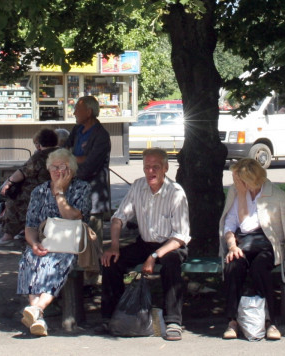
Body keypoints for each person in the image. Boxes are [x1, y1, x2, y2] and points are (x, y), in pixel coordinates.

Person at [100, 148, 191, 341]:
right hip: (145, 243)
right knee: (111, 261)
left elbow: (181, 236)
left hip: (171, 244)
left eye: (155, 167)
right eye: (147, 167)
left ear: (165, 168)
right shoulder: (138, 186)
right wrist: (114, 245)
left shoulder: (176, 193)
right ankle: (111, 316)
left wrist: (154, 256)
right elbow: (118, 218)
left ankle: (173, 321)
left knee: (171, 263)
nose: (150, 172)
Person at [218, 158, 285, 340]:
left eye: (237, 178)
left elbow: (252, 224)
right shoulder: (236, 192)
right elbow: (230, 224)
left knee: (259, 268)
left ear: (249, 179)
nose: (234, 181)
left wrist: (242, 195)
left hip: (267, 244)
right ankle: (232, 321)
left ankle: (270, 321)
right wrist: (232, 245)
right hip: (242, 243)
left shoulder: (275, 195)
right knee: (233, 265)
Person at [17, 148, 92, 336]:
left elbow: (73, 217)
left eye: (63, 167)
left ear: (72, 170)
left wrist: (59, 193)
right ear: (48, 169)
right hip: (44, 242)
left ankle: (37, 308)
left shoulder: (82, 188)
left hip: (69, 245)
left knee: (57, 261)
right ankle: (38, 315)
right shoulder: (39, 191)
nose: (58, 171)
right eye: (54, 167)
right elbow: (30, 226)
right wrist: (34, 244)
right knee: (30, 258)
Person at [0, 128, 60, 246]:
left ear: (41, 143)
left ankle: (8, 236)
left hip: (39, 192)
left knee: (12, 201)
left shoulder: (40, 156)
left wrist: (8, 182)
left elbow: (22, 172)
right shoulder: (61, 153)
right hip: (57, 189)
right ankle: (24, 230)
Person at [65, 96, 112, 240]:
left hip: (93, 192)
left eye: (77, 110)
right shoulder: (77, 129)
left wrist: (71, 162)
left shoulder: (101, 135)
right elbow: (64, 151)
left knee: (92, 238)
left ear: (89, 112)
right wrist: (77, 158)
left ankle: (95, 262)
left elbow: (91, 165)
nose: (74, 114)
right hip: (74, 190)